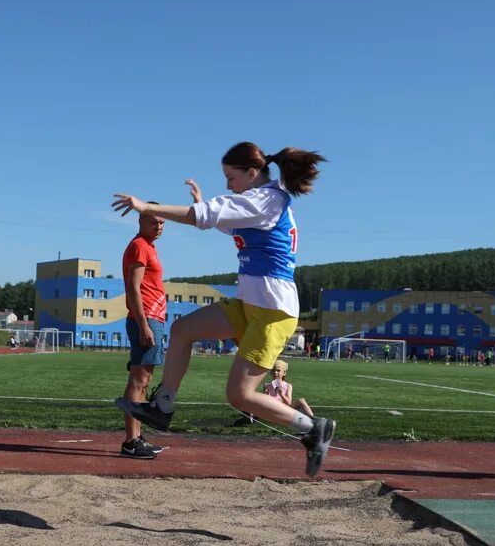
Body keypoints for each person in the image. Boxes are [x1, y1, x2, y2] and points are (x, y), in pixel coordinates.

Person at [112, 142, 335, 477]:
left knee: (239, 395)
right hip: (250, 304)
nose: (228, 185)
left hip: (272, 312)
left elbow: (208, 216)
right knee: (182, 330)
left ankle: (312, 427)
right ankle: (163, 408)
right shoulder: (257, 202)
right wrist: (202, 206)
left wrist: (147, 206)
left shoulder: (267, 199)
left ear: (251, 173)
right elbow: (217, 220)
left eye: (231, 178)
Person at [117, 200, 174, 459]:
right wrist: (143, 324)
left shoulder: (149, 247)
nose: (159, 226)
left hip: (153, 318)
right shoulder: (140, 246)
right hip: (147, 318)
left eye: (162, 221)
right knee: (139, 380)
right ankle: (131, 441)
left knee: (144, 379)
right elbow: (133, 287)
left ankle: (136, 438)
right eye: (154, 221)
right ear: (141, 221)